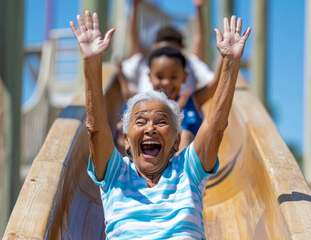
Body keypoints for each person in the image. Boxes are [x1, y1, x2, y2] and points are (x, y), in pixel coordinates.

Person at [70, 10, 250, 240]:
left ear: (176, 140)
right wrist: (91, 64)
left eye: (162, 122)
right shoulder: (116, 174)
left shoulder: (188, 172)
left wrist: (231, 63)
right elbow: (95, 129)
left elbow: (215, 126)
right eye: (141, 121)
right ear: (126, 139)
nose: (150, 128)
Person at [120, 0, 221, 98]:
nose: (166, 82)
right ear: (149, 76)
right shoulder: (144, 63)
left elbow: (199, 39)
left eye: (173, 76)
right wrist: (135, 6)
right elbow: (134, 41)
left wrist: (198, 8)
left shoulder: (190, 66)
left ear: (184, 77)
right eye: (159, 76)